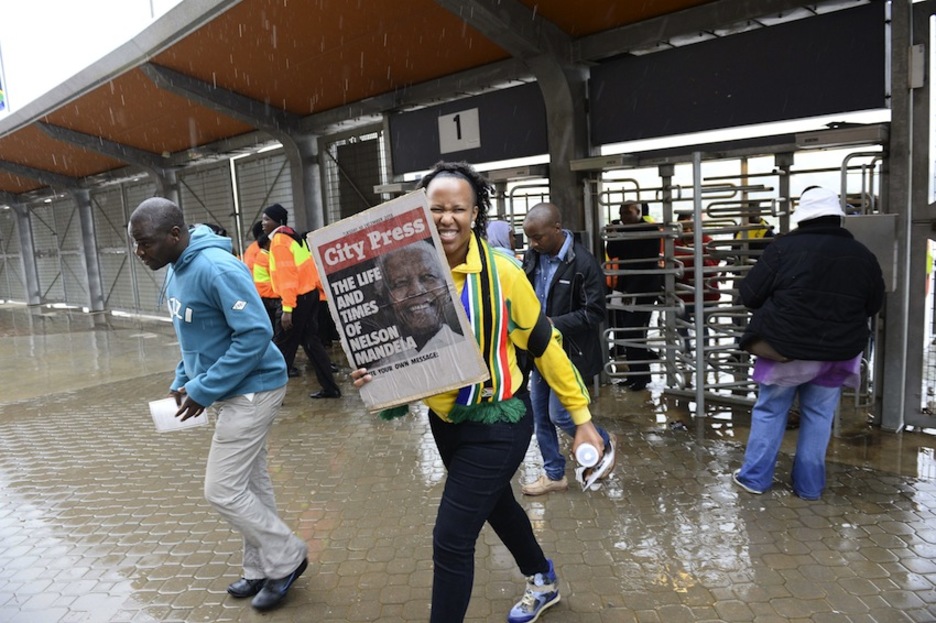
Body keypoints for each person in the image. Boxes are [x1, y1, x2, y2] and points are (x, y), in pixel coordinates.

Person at [351, 161, 605, 623]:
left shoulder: (504, 273)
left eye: (458, 209)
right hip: (447, 423)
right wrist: (376, 377)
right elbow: (402, 353)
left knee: (451, 538)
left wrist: (583, 420)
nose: (446, 218)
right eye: (436, 209)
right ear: (419, 213)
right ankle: (542, 579)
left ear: (475, 214)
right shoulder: (401, 271)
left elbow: (545, 345)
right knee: (497, 505)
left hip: (500, 422)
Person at [127, 198, 308, 612]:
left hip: (255, 389)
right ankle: (261, 567)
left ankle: (289, 556)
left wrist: (203, 389)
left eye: (145, 243)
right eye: (135, 244)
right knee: (250, 484)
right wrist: (183, 378)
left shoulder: (216, 268)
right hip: (228, 390)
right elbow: (199, 336)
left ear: (175, 235)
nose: (140, 252)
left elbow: (254, 335)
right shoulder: (177, 268)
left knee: (222, 489)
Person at [732, 187, 885, 500]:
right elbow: (873, 304)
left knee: (771, 411)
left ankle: (755, 478)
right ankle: (809, 487)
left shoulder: (782, 249)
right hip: (837, 355)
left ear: (802, 218)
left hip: (784, 351)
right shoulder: (863, 254)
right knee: (819, 416)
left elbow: (750, 295)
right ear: (836, 217)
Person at [520, 202, 616, 495]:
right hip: (540, 350)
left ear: (557, 229)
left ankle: (603, 444)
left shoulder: (584, 263)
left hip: (571, 354)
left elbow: (595, 312)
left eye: (538, 237)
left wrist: (552, 323)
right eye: (529, 239)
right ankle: (554, 475)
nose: (533, 244)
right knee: (539, 416)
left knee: (560, 415)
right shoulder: (533, 256)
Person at [261, 203, 341, 399]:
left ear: (277, 221)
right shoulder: (293, 236)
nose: (263, 223)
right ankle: (331, 388)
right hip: (309, 295)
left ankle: (272, 397)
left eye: (266, 219)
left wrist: (287, 309)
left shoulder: (279, 242)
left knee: (282, 347)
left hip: (296, 299)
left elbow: (288, 278)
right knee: (311, 343)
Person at [604, 200, 663, 390]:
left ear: (638, 212)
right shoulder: (623, 231)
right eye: (621, 213)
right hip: (626, 288)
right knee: (627, 332)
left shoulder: (651, 230)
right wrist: (613, 236)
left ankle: (641, 376)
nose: (623, 217)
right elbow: (613, 253)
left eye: (627, 213)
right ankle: (634, 374)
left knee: (635, 332)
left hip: (642, 288)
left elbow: (646, 263)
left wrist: (632, 291)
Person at [374, 241, 464, 360]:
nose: (417, 291)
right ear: (385, 298)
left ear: (446, 287)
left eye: (428, 277)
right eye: (400, 283)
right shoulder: (379, 367)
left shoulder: (471, 350)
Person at [674, 212, 721, 354]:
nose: (688, 231)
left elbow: (714, 264)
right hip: (682, 294)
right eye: (684, 227)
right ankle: (685, 349)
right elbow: (671, 266)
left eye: (691, 227)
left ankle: (704, 352)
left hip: (705, 293)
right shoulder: (673, 244)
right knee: (681, 324)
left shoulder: (707, 241)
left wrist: (697, 259)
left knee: (703, 326)